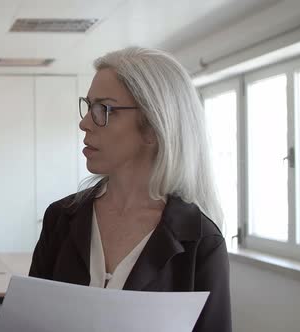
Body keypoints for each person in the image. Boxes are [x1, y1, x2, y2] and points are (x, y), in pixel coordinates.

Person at [29, 47, 231, 332]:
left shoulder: (200, 241)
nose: (84, 123)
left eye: (104, 109)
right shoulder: (61, 217)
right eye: (88, 106)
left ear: (152, 126)